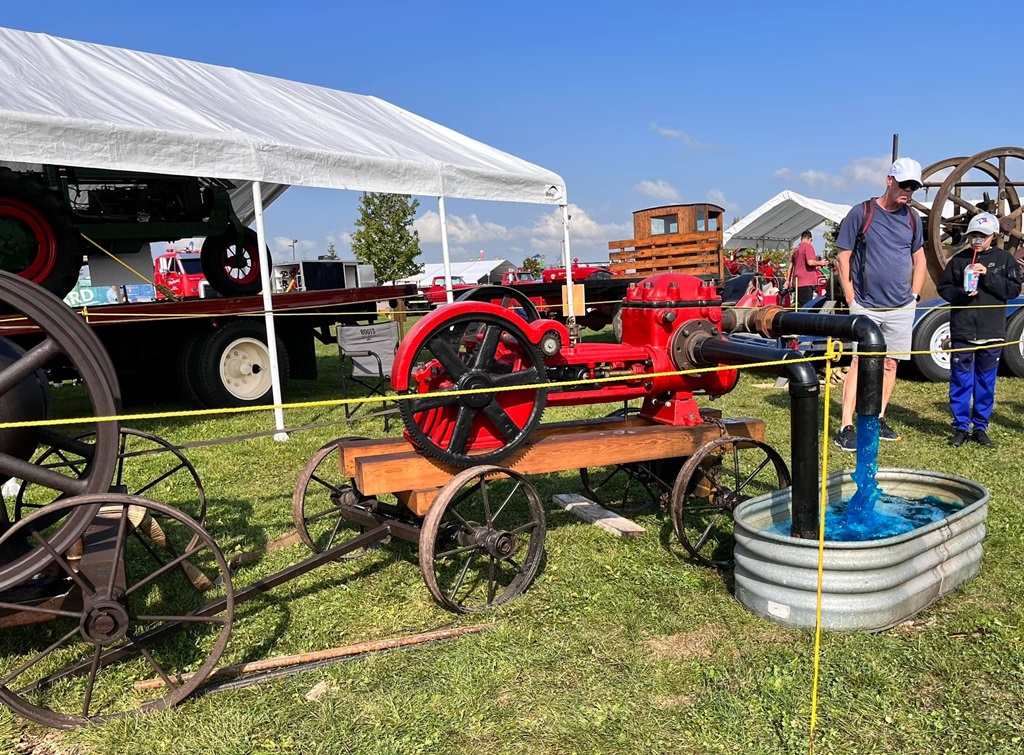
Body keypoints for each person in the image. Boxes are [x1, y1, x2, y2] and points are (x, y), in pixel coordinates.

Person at [833, 157, 928, 451]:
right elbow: (843, 256)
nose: (908, 190)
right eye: (904, 184)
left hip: (901, 307)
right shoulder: (862, 212)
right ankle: (846, 425)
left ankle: (877, 419)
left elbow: (920, 258)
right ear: (889, 180)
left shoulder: (912, 219)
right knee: (860, 363)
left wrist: (913, 296)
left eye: (913, 186)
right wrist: (851, 298)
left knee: (890, 364)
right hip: (867, 306)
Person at [937, 212, 1022, 447]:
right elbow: (944, 288)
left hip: (991, 331)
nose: (977, 239)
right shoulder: (959, 260)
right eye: (973, 234)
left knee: (986, 381)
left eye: (982, 235)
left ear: (993, 236)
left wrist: (988, 276)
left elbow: (1013, 290)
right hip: (963, 330)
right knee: (961, 379)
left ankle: (981, 427)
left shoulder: (1005, 259)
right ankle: (961, 427)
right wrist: (961, 293)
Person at [785, 230, 828, 307]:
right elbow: (810, 262)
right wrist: (821, 263)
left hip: (797, 283)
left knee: (799, 306)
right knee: (806, 308)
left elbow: (791, 266)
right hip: (806, 283)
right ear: (809, 239)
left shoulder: (796, 249)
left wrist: (787, 281)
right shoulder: (808, 247)